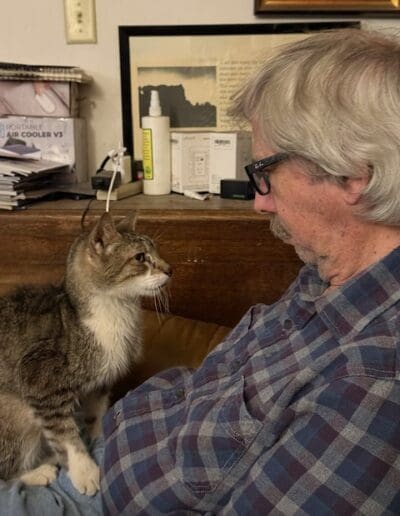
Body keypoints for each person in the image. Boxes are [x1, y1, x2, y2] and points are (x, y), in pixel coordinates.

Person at [100, 28, 400, 514]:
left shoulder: (375, 382)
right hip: (106, 453)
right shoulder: (328, 271)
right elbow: (211, 387)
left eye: (265, 173)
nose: (260, 203)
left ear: (351, 173)